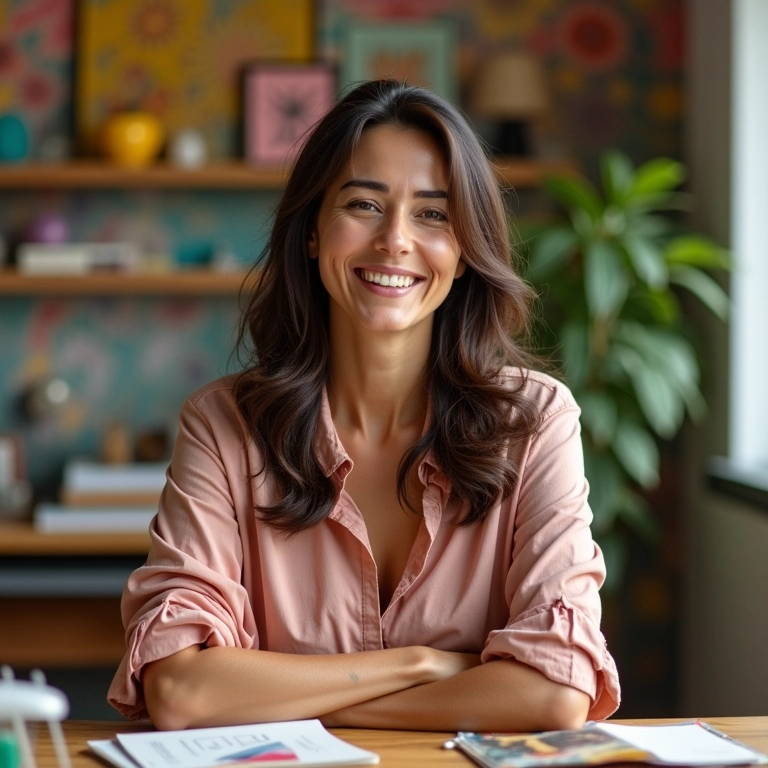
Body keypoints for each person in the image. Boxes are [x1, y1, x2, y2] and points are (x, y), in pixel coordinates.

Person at [108, 80, 620, 731]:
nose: (395, 240)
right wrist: (423, 665)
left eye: (433, 214)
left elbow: (553, 696)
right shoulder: (224, 426)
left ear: (464, 253)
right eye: (363, 204)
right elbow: (182, 691)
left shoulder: (537, 421)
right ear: (314, 232)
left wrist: (288, 698)